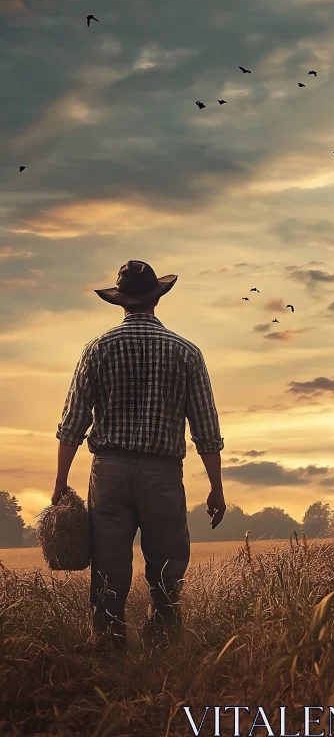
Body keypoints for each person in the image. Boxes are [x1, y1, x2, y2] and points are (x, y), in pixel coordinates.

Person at [51, 259, 225, 648]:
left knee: (109, 562)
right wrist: (216, 487)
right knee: (167, 559)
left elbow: (71, 426)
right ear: (155, 300)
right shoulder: (187, 352)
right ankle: (163, 637)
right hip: (162, 474)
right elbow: (206, 430)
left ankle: (109, 643)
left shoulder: (97, 349)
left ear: (122, 302)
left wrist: (61, 484)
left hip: (109, 472)